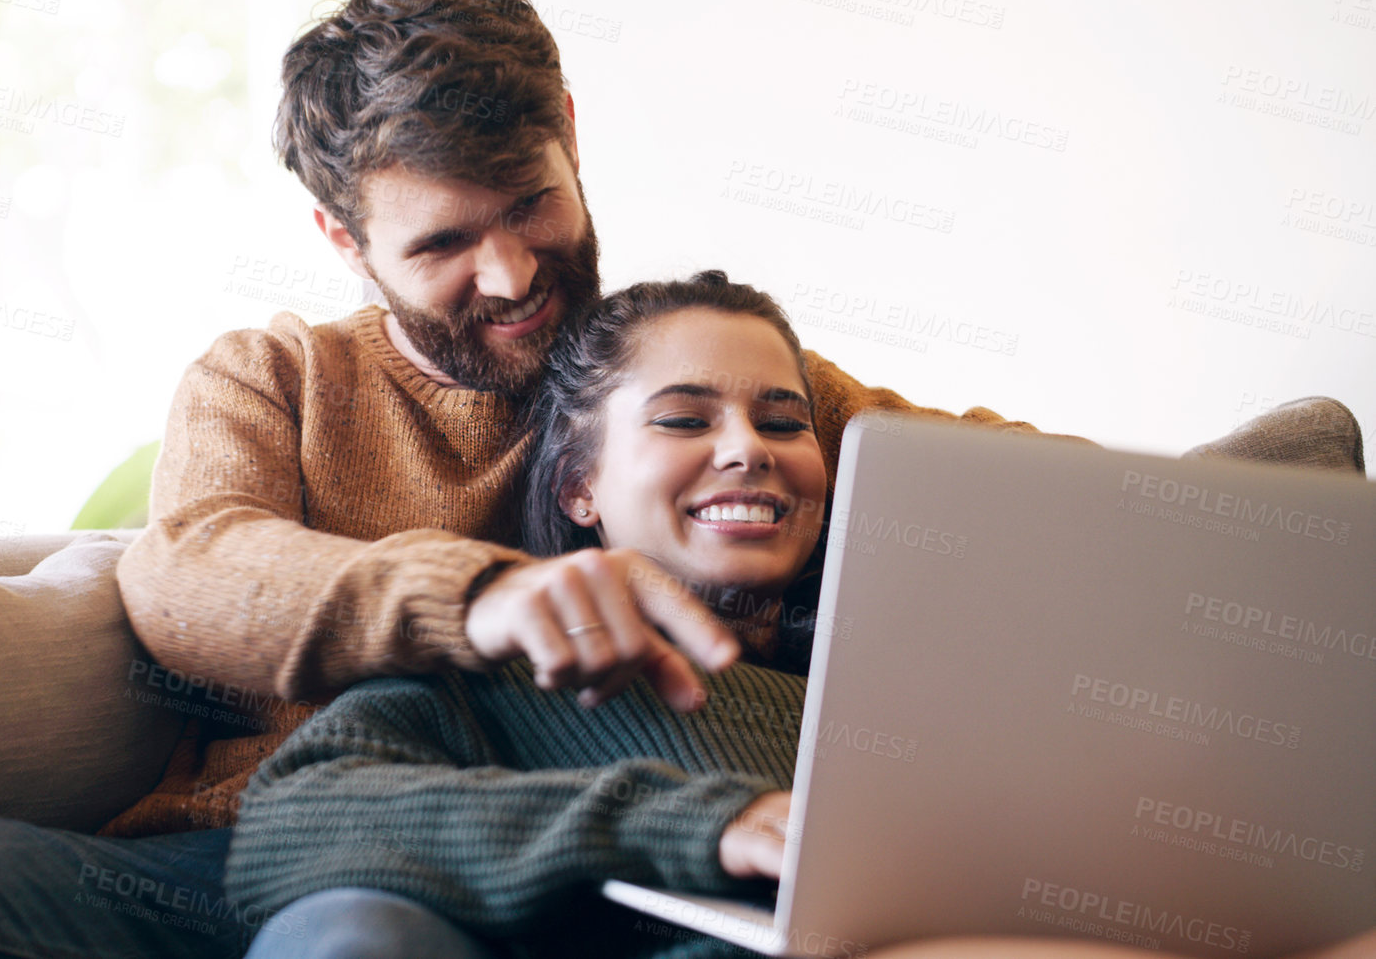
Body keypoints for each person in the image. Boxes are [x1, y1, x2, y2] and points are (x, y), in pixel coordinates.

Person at [0, 0, 1072, 959]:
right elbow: (188, 574)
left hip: (525, 876)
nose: (511, 274)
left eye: (529, 205)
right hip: (245, 841)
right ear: (341, 237)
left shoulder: (696, 384)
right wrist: (476, 599)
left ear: (569, 138)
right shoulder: (278, 380)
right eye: (441, 243)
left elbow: (1032, 504)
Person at [222, 272, 1376, 959]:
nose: (749, 449)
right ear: (579, 487)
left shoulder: (925, 659)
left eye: (784, 420)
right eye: (683, 420)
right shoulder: (520, 674)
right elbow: (285, 824)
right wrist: (698, 824)